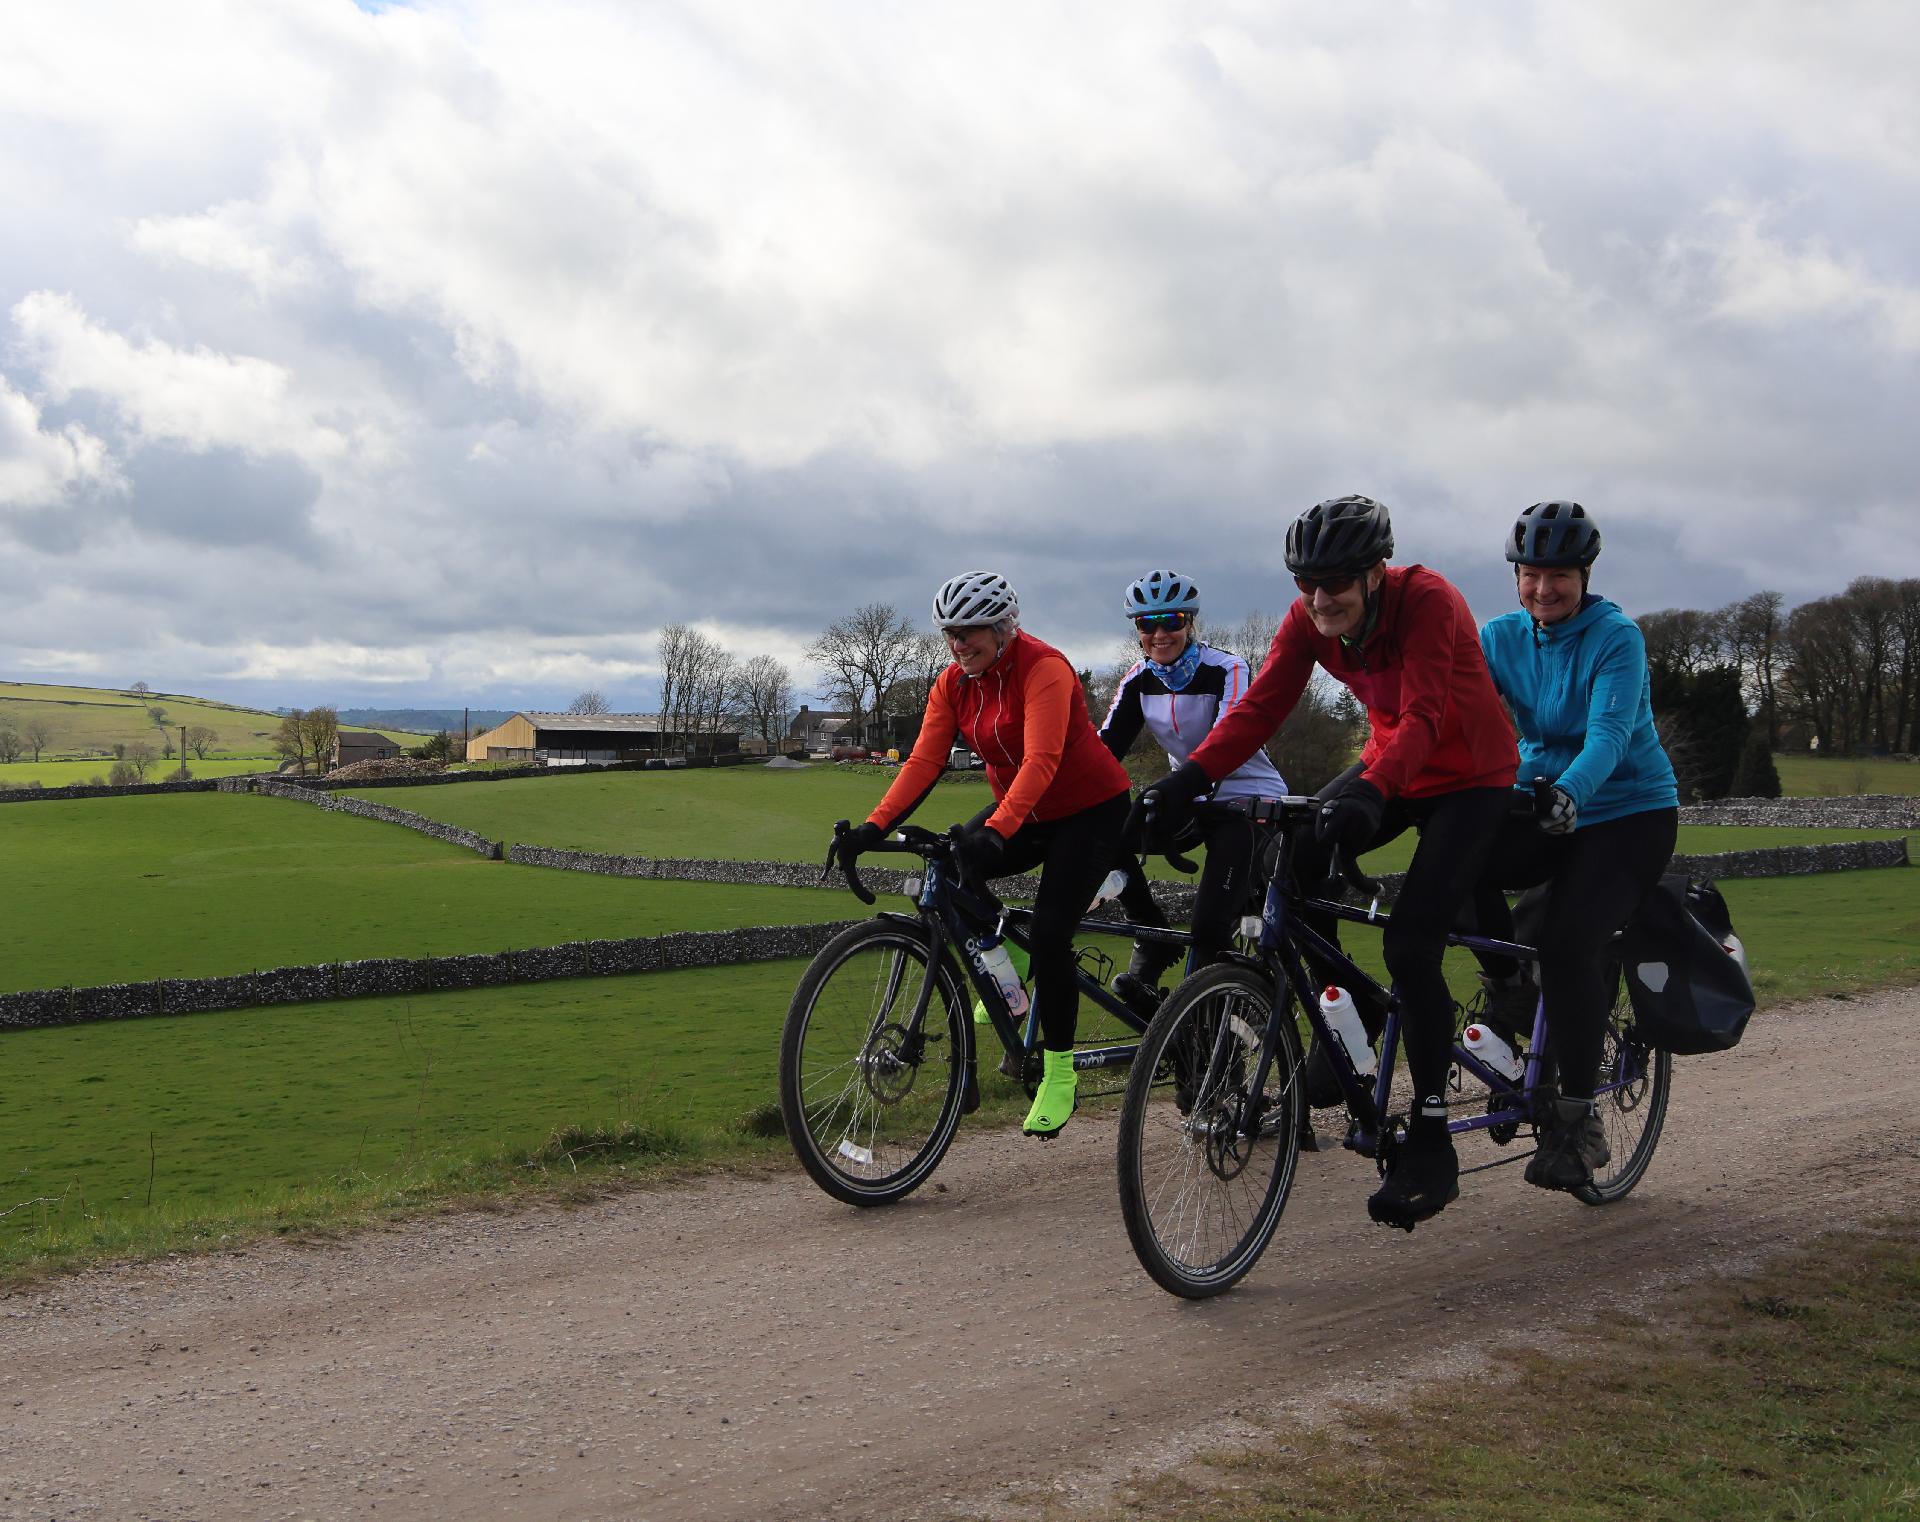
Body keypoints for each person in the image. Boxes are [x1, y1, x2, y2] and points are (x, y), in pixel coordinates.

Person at [1132, 496, 1517, 1230]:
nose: (1318, 599)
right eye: (1306, 583)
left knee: (1411, 944)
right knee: (1293, 865)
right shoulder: (1306, 618)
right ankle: (1359, 1013)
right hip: (1390, 763)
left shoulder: (1430, 599)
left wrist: (1372, 789)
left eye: (1335, 582)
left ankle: (1432, 1139)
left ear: (1376, 573)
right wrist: (1185, 782)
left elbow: (1428, 713)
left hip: (1470, 779)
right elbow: (1260, 709)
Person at [837, 571, 1133, 1139]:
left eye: (968, 632)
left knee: (1050, 933)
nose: (957, 644)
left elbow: (1042, 761)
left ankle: (1059, 1072)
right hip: (1025, 810)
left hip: (1089, 812)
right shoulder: (952, 684)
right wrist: (872, 828)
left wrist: (996, 831)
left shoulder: (1044, 668)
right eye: (950, 633)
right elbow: (924, 762)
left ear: (1002, 629)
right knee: (949, 864)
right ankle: (1010, 963)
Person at [1469, 501, 1680, 1192]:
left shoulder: (1616, 637)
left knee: (1566, 944)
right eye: (1531, 574)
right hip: (1541, 799)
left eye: (1558, 575)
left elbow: (1609, 734)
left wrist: (1571, 794)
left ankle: (1577, 1115)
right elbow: (1453, 709)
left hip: (1626, 812)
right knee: (1452, 862)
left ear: (1584, 576)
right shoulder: (1500, 637)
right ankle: (1506, 999)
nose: (1542, 589)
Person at [1098, 569, 1287, 1011]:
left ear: (1190, 624)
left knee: (1208, 929)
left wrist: (1175, 789)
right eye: (1147, 624)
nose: (1160, 634)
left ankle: (1213, 1045)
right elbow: (1102, 751)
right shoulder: (1137, 680)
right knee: (1105, 825)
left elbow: (1229, 739)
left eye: (1171, 621)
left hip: (1248, 797)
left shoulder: (1227, 668)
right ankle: (1152, 936)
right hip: (1190, 796)